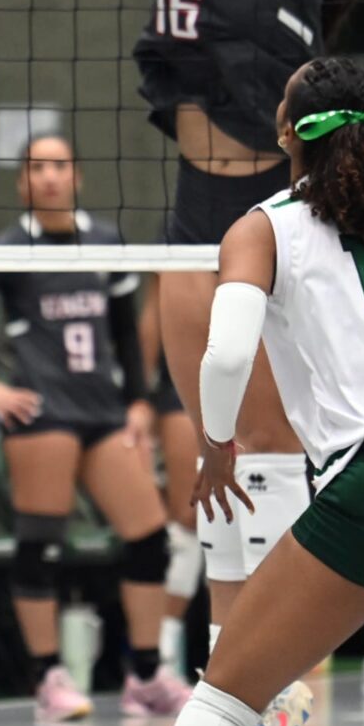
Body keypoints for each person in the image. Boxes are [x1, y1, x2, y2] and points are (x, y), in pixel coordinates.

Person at [0, 0, 364, 726]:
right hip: (184, 211)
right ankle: (228, 678)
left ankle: (287, 676)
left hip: (275, 205)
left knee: (264, 451)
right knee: (197, 462)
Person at [169, 57, 364, 726]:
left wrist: (217, 446)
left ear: (286, 133)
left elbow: (224, 357)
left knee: (220, 704)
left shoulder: (264, 227)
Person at [0, 134, 189, 721]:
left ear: (78, 176)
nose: (49, 177)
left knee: (149, 537)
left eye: (60, 166)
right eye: (37, 168)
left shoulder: (103, 241)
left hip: (103, 411)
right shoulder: (8, 248)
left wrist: (139, 403)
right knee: (41, 541)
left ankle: (145, 673)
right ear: (22, 183)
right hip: (43, 414)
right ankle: (46, 674)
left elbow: (124, 329)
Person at [139, 276, 205, 678]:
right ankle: (162, 657)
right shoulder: (177, 243)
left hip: (252, 386)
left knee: (251, 521)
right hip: (182, 392)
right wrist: (138, 402)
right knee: (189, 518)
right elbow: (149, 328)